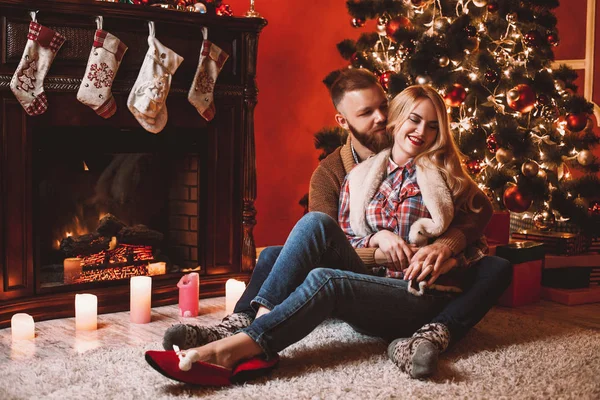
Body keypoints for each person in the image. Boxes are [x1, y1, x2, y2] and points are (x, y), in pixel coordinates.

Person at [148, 80, 512, 384]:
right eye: (414, 120)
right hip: (370, 279)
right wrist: (376, 239)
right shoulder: (354, 176)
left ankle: (237, 346)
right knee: (309, 229)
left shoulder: (448, 179)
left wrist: (447, 250)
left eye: (433, 126)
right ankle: (248, 329)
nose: (421, 131)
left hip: (417, 290)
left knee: (327, 278)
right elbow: (335, 238)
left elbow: (478, 224)